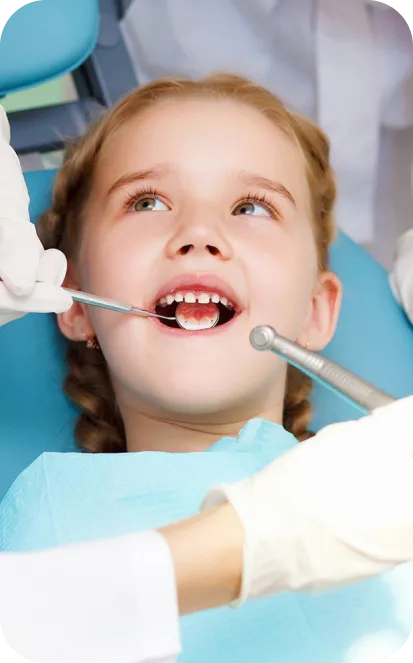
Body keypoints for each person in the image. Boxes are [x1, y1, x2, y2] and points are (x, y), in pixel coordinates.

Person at [2, 82, 413, 663]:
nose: (198, 234)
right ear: (74, 302)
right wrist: (244, 545)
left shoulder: (389, 489)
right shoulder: (53, 507)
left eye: (252, 208)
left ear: (314, 312)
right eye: (147, 202)